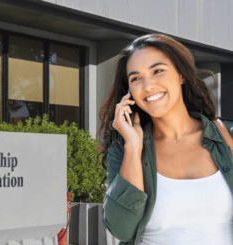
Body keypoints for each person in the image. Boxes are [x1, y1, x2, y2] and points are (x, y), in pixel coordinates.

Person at [97, 34, 233, 245]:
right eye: (136, 78)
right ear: (130, 92)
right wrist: (133, 146)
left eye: (158, 71)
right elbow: (121, 229)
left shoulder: (228, 136)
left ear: (181, 75)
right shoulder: (124, 151)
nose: (148, 85)